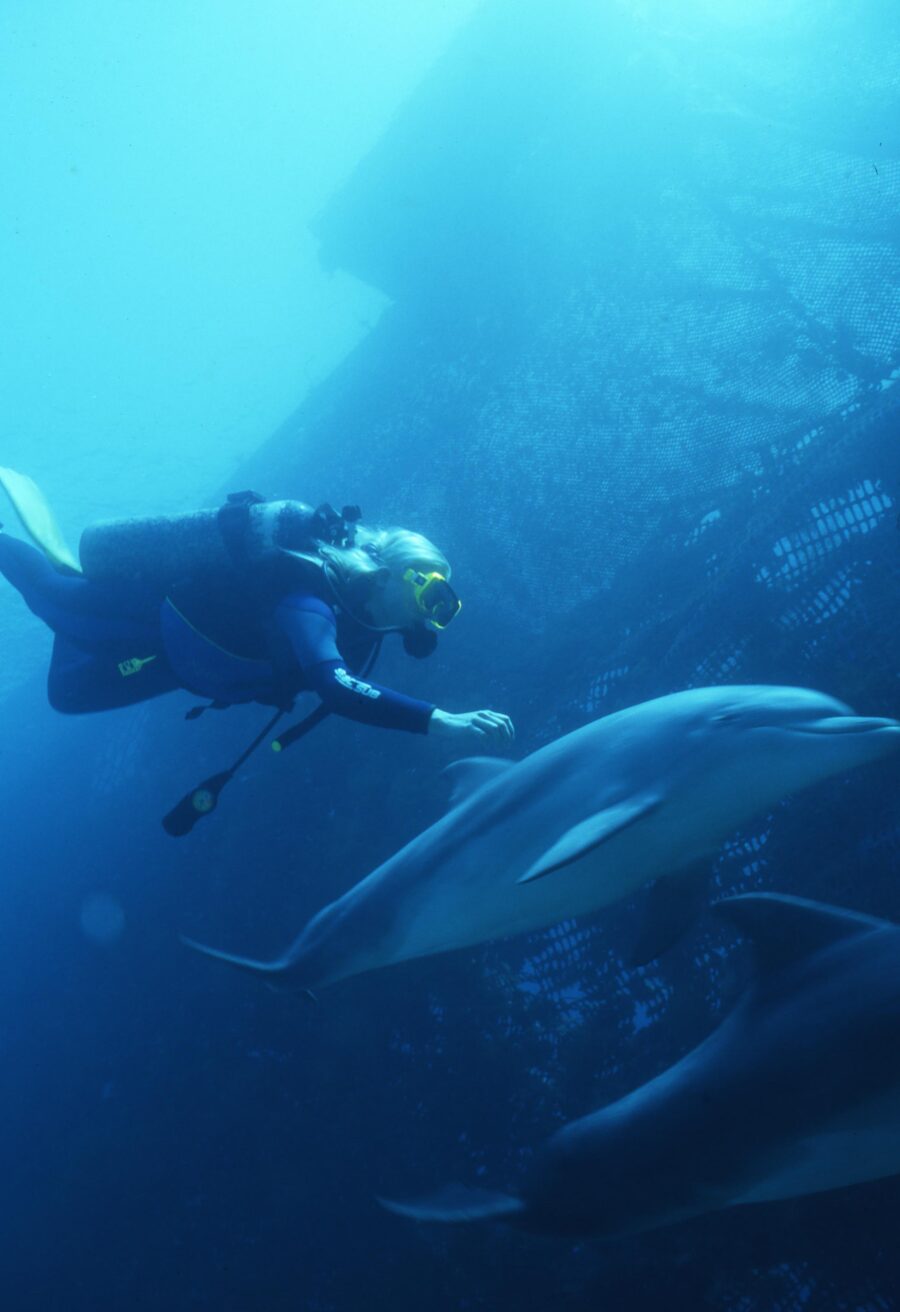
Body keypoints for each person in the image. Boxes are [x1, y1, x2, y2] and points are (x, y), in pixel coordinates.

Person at [0, 471, 515, 750]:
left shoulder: (365, 633)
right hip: (149, 615)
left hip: (179, 662)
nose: (431, 618)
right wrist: (440, 720)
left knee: (67, 695)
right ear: (388, 575)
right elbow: (336, 688)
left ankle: (79, 609)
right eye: (431, 596)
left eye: (444, 608)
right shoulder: (312, 597)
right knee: (48, 593)